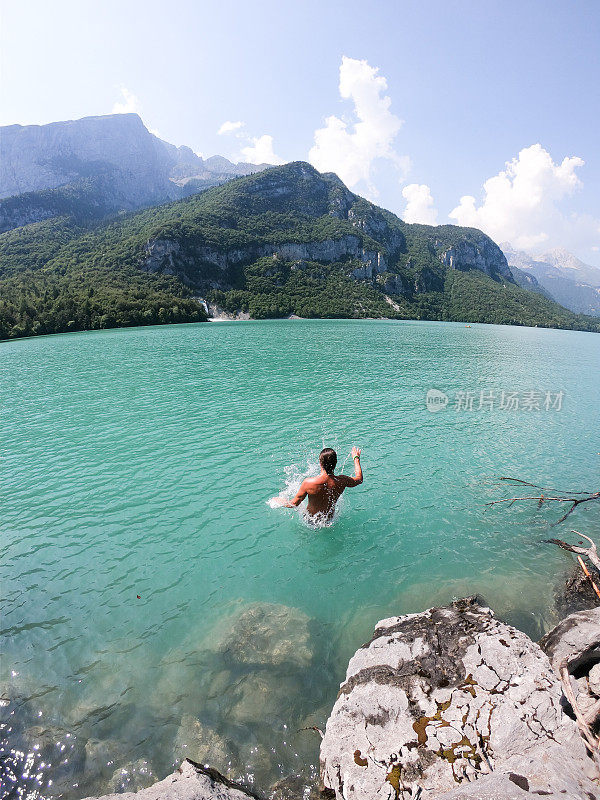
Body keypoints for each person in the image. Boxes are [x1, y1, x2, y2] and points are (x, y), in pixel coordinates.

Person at [275, 447, 363, 521]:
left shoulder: (308, 483)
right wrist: (356, 458)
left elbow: (294, 504)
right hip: (329, 521)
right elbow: (359, 479)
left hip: (310, 521)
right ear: (336, 463)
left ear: (320, 463)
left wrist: (280, 502)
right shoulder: (342, 481)